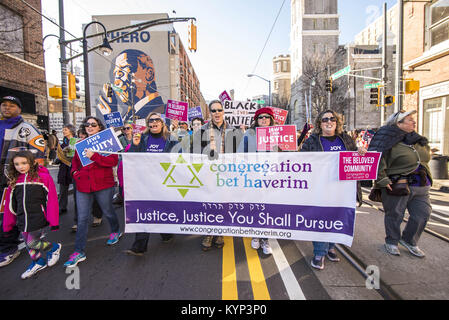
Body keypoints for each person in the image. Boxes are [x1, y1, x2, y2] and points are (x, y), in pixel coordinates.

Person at [300, 109, 366, 270]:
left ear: (337, 123)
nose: (329, 122)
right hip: (320, 187)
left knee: (337, 217)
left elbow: (355, 159)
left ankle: (331, 246)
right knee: (321, 219)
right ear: (319, 124)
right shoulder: (312, 141)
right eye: (325, 120)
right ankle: (319, 253)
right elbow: (301, 160)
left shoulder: (347, 140)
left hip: (343, 187)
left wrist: (360, 153)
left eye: (332, 119)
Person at [368, 110, 432, 258]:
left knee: (423, 214)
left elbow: (425, 157)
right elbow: (378, 160)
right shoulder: (387, 139)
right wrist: (382, 179)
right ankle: (392, 241)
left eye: (413, 120)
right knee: (395, 214)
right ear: (398, 123)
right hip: (396, 184)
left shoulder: (418, 140)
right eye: (409, 120)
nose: (414, 122)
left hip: (421, 185)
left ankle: (410, 240)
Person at [64, 116, 122, 267]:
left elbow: (113, 161)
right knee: (82, 218)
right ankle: (79, 251)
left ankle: (116, 230)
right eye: (87, 124)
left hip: (103, 184)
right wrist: (75, 174)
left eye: (93, 124)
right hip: (83, 185)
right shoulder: (80, 144)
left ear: (99, 128)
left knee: (108, 210)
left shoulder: (107, 142)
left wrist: (94, 156)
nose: (89, 126)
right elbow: (75, 163)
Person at [190, 100, 243, 251]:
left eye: (219, 110)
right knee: (208, 203)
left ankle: (219, 232)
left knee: (223, 204)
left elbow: (240, 152)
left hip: (226, 174)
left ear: (223, 112)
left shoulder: (234, 130)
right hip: (208, 173)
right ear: (210, 113)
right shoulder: (201, 131)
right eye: (213, 110)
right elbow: (194, 151)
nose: (217, 113)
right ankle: (208, 233)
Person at [0, 95, 46, 268]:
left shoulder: (27, 129)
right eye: (4, 105)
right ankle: (41, 253)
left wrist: (32, 177)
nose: (7, 108)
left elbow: (39, 152)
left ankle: (11, 250)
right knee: (17, 220)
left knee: (8, 216)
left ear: (19, 109)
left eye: (12, 105)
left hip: (15, 181)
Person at [125, 112, 179, 256]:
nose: (154, 122)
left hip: (165, 181)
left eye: (157, 120)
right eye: (151, 120)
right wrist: (135, 146)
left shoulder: (171, 138)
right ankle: (139, 246)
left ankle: (166, 233)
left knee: (163, 209)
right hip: (145, 181)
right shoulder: (142, 138)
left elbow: (180, 156)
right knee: (145, 211)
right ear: (148, 124)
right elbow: (132, 158)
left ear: (162, 123)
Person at [3, 151, 61, 279]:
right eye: (17, 164)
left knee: (32, 242)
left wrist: (53, 220)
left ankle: (54, 247)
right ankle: (38, 262)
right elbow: (9, 206)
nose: (20, 166)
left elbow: (51, 200)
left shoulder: (43, 178)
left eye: (24, 163)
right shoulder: (14, 181)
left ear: (31, 162)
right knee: (29, 243)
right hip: (22, 219)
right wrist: (8, 224)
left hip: (38, 218)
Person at [237, 107, 278, 255]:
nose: (264, 119)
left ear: (271, 119)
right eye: (260, 117)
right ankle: (255, 234)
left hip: (271, 178)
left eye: (267, 117)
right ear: (256, 120)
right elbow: (241, 153)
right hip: (253, 177)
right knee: (255, 207)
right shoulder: (249, 133)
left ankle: (265, 239)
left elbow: (287, 154)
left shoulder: (278, 133)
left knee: (268, 209)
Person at [97, 49, 165, 122]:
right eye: (115, 75)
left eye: (121, 73)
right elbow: (121, 133)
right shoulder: (128, 115)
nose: (116, 82)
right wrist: (112, 114)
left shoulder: (161, 111)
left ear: (149, 74)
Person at [70, 128, 103, 232]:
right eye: (80, 135)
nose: (82, 137)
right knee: (78, 200)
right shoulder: (78, 145)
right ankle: (77, 221)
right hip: (80, 177)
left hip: (94, 175)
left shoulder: (98, 144)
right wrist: (74, 172)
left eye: (84, 135)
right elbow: (74, 161)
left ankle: (97, 216)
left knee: (95, 197)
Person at [56, 124, 76, 215]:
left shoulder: (76, 141)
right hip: (64, 168)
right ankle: (62, 207)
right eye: (63, 129)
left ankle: (79, 207)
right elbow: (58, 156)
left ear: (71, 131)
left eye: (66, 130)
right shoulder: (61, 143)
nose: (64, 131)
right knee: (63, 188)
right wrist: (59, 158)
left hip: (74, 167)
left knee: (77, 189)